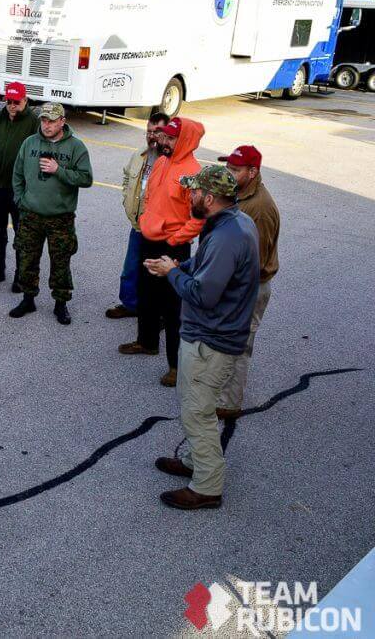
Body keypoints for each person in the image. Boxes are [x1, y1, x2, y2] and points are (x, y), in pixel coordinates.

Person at [147, 165, 260, 510]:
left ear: (209, 198)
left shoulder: (228, 236)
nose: (189, 195)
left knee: (198, 412)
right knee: (194, 404)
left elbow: (204, 295)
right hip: (211, 334)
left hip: (211, 340)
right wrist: (179, 267)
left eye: (194, 191)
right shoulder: (232, 223)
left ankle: (207, 486)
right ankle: (197, 462)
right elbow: (204, 266)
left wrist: (172, 275)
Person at [119, 117, 206, 387]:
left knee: (172, 308)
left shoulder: (193, 173)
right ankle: (146, 342)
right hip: (149, 238)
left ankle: (175, 365)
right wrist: (146, 222)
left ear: (186, 140)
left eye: (170, 138)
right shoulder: (161, 162)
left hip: (172, 247)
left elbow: (199, 217)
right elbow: (149, 197)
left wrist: (175, 239)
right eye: (164, 137)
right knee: (146, 294)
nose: (164, 141)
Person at [9, 102, 93, 325]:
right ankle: (28, 299)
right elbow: (17, 175)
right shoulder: (29, 143)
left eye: (52, 121)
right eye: (44, 120)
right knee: (27, 259)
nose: (46, 125)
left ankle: (61, 304)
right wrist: (20, 200)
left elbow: (86, 178)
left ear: (62, 122)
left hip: (60, 217)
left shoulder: (76, 147)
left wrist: (59, 171)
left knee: (60, 262)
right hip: (31, 215)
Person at [215, 145, 280, 419]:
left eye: (235, 169)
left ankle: (229, 404)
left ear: (253, 172)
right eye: (227, 167)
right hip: (232, 282)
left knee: (239, 347)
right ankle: (221, 391)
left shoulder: (261, 209)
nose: (228, 173)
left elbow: (255, 260)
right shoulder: (238, 194)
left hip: (247, 287)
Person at [105, 112, 170, 320]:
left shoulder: (170, 161)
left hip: (160, 229)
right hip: (138, 225)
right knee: (131, 268)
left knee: (155, 272)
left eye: (157, 132)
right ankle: (130, 304)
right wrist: (127, 198)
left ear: (167, 133)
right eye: (149, 131)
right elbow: (127, 176)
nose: (152, 136)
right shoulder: (139, 155)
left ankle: (158, 314)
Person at [0, 81, 37, 290]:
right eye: (8, 101)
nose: (12, 106)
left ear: (25, 100)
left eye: (16, 102)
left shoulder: (34, 121)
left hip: (22, 189)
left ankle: (20, 275)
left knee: (22, 235)